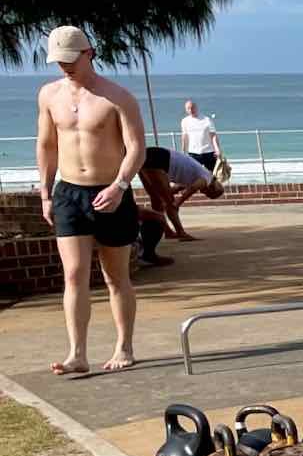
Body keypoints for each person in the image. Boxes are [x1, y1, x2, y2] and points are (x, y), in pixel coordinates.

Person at [35, 26, 145, 376]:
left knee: (116, 277)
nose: (64, 66)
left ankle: (124, 346)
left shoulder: (117, 97)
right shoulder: (49, 95)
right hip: (69, 192)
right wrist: (45, 191)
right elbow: (47, 145)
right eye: (58, 61)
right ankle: (76, 354)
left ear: (89, 53)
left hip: (111, 190)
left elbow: (136, 148)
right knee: (74, 274)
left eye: (71, 59)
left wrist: (120, 186)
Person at [135, 143, 223, 255]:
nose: (203, 192)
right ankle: (181, 233)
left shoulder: (201, 174)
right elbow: (192, 189)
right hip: (158, 159)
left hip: (147, 156)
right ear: (213, 188)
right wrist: (177, 203)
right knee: (169, 202)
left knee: (156, 198)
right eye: (208, 194)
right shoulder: (207, 179)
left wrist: (169, 196)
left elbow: (176, 188)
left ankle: (167, 231)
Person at [178, 99, 223, 172]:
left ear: (196, 108)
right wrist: (183, 152)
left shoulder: (207, 120)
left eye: (192, 108)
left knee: (212, 176)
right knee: (193, 175)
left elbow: (213, 136)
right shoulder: (184, 121)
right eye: (188, 108)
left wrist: (217, 149)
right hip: (193, 153)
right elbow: (184, 137)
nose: (191, 110)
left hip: (208, 152)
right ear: (186, 110)